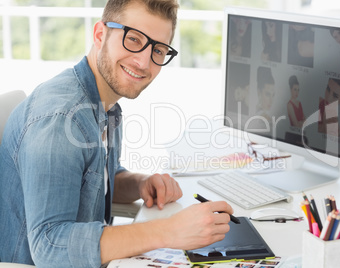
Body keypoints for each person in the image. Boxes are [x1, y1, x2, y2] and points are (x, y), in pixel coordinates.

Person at [0, 0, 234, 267]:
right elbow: (49, 246)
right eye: (133, 39)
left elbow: (96, 184)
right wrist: (168, 231)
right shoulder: (61, 119)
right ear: (100, 34)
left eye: (158, 49)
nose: (144, 61)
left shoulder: (106, 106)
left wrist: (140, 184)